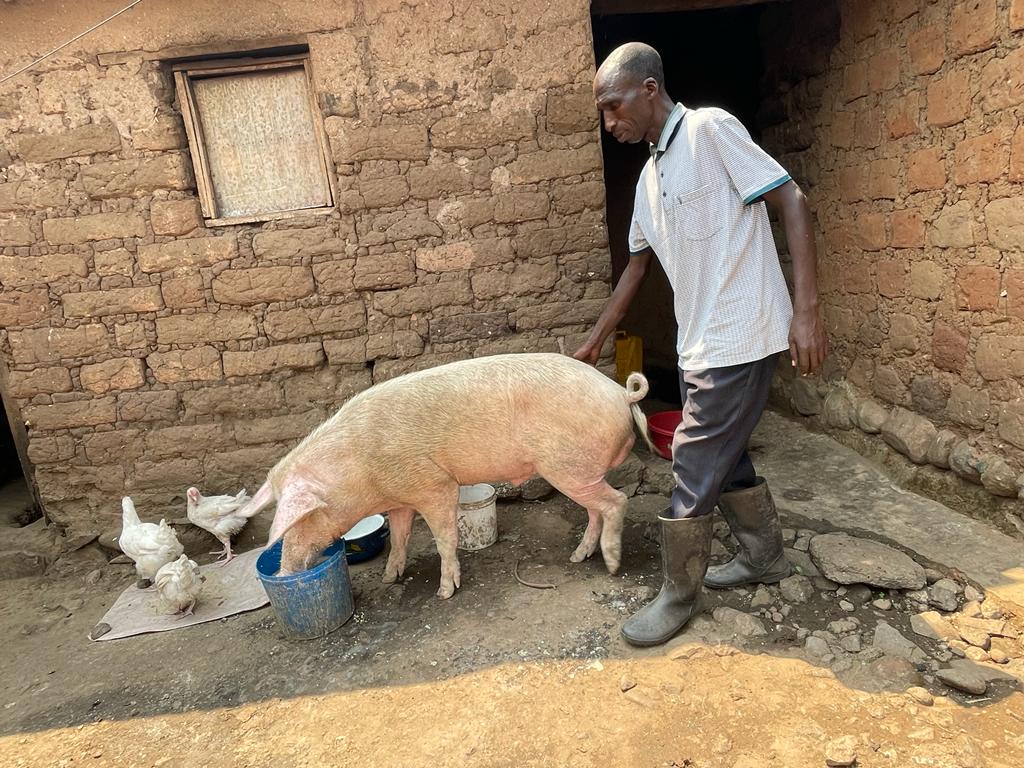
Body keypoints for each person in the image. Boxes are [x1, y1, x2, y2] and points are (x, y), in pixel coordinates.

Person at [574, 42, 828, 647]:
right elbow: (636, 269)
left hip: (740, 333)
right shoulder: (649, 179)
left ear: (649, 89)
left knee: (692, 458)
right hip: (699, 344)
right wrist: (593, 343)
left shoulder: (711, 131)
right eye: (604, 115)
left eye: (614, 108)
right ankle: (764, 557)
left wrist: (806, 311)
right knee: (727, 453)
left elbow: (790, 197)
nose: (611, 125)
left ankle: (678, 592)